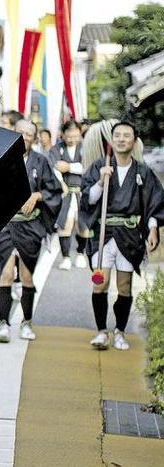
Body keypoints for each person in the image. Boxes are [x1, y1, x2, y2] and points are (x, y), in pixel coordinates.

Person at [81, 121, 164, 351]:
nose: (121, 139)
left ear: (134, 141)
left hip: (129, 235)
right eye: (117, 135)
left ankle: (119, 330)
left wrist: (154, 226)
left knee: (124, 286)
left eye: (126, 135)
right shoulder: (99, 166)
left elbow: (154, 202)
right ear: (111, 140)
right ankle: (101, 331)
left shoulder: (142, 172)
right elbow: (87, 199)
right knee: (101, 284)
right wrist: (100, 181)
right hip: (104, 233)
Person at [0, 119, 61, 342]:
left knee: (26, 275)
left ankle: (26, 322)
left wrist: (37, 195)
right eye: (20, 132)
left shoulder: (40, 162)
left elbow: (54, 190)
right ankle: (3, 323)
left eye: (29, 134)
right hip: (6, 225)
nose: (23, 136)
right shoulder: (1, 159)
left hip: (30, 225)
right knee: (5, 273)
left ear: (35, 137)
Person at [51, 121, 90, 270]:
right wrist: (61, 182)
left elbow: (87, 167)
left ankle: (81, 253)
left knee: (83, 225)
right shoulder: (58, 148)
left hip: (82, 192)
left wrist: (68, 167)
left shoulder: (85, 148)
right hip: (66, 193)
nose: (72, 140)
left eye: (75, 136)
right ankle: (66, 257)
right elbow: (54, 166)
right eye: (69, 136)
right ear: (63, 135)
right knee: (65, 225)